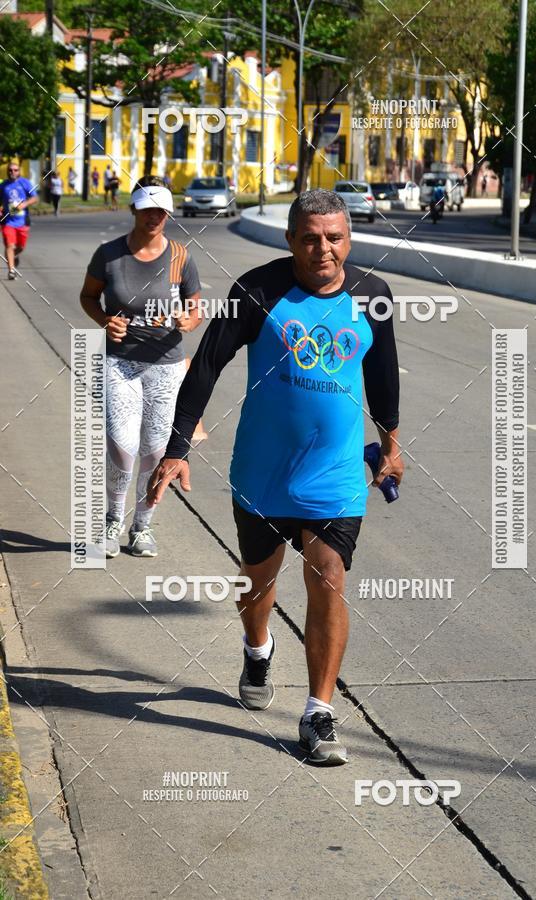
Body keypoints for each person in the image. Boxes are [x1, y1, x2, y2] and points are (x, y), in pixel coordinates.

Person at [148, 189, 403, 765]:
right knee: (258, 584)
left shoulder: (373, 297)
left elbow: (384, 375)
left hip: (334, 476)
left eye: (334, 237)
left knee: (328, 574)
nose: (323, 249)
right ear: (290, 240)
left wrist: (390, 443)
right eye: (310, 238)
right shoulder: (257, 292)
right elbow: (207, 364)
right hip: (262, 473)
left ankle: (317, 713)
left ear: (349, 238)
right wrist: (176, 448)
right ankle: (256, 646)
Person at [79, 175, 202, 558]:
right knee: (122, 445)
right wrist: (104, 321)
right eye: (148, 209)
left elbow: (196, 308)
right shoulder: (109, 254)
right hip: (120, 364)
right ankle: (113, 520)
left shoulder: (181, 256)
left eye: (162, 210)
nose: (155, 216)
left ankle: (141, 527)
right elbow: (88, 296)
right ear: (134, 209)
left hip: (165, 365)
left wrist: (189, 320)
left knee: (153, 449)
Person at [0, 160, 38, 280]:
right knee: (10, 246)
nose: (13, 172)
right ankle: (11, 270)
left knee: (20, 247)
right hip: (8, 221)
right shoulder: (3, 185)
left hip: (22, 221)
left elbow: (35, 198)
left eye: (15, 170)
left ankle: (12, 257)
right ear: (7, 171)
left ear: (19, 171)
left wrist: (24, 204)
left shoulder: (25, 183)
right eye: (10, 170)